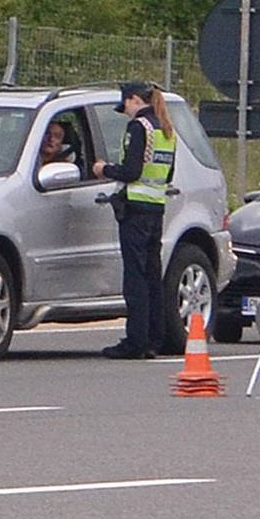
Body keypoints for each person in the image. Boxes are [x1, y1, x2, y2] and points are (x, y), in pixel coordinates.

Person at [93, 81, 177, 358]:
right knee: (153, 276)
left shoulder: (139, 128)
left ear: (132, 100)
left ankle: (136, 341)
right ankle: (154, 338)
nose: (126, 112)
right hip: (157, 208)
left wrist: (104, 169)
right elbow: (167, 174)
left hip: (136, 210)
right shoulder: (166, 130)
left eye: (125, 105)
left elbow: (130, 171)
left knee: (135, 278)